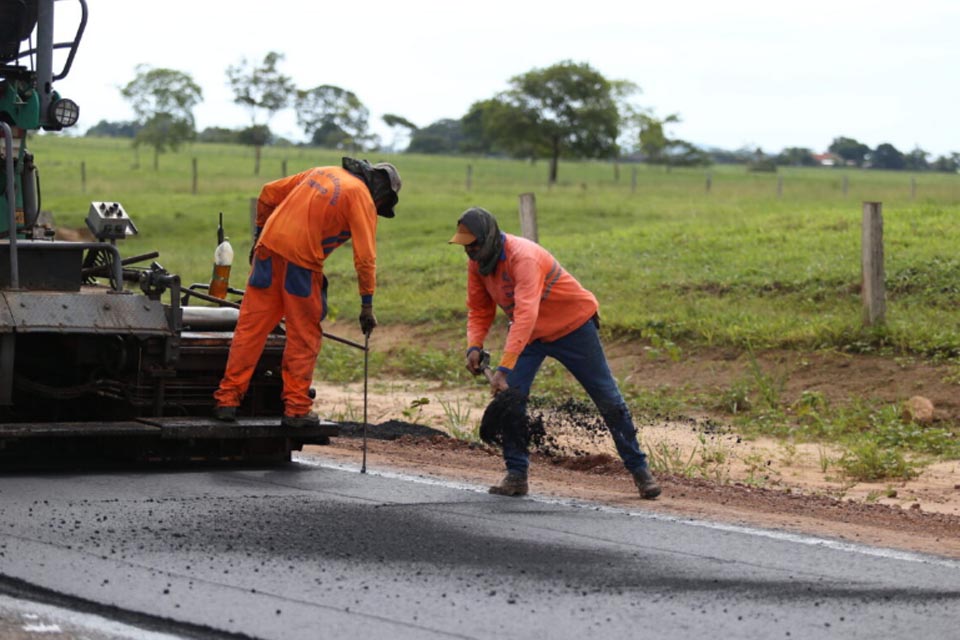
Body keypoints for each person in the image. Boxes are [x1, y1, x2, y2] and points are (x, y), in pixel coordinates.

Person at [448, 206, 661, 499]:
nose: (470, 251)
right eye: (465, 246)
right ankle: (516, 475)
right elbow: (479, 309)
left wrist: (504, 368)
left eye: (474, 244)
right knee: (511, 402)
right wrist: (474, 345)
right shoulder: (478, 265)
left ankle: (640, 471)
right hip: (531, 337)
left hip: (574, 328)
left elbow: (524, 315)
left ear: (489, 237)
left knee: (607, 397)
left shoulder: (522, 257)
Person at [213, 157, 401, 427]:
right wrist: (367, 304)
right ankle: (296, 409)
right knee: (303, 336)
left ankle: (227, 401)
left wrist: (257, 239)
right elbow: (365, 257)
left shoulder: (323, 171)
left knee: (250, 330)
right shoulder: (362, 197)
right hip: (301, 264)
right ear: (382, 192)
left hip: (267, 251)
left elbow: (268, 193)